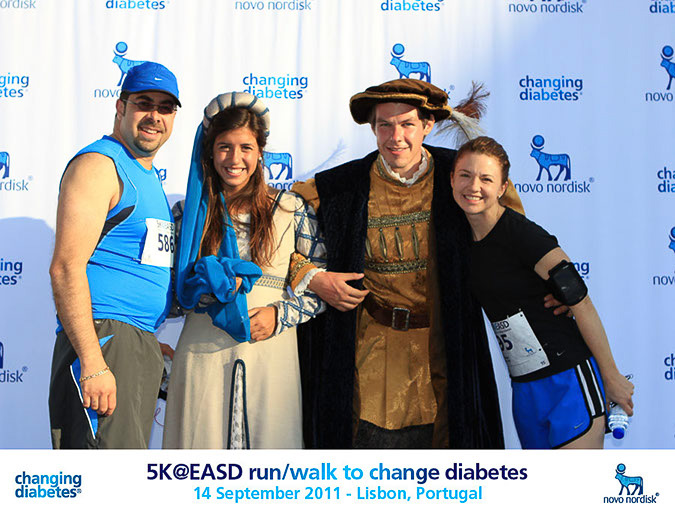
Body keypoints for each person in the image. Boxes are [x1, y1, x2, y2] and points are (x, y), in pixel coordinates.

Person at [289, 79, 526, 449]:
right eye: (385, 125)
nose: (395, 137)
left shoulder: (461, 177)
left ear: (427, 125)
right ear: (373, 129)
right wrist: (313, 278)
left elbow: (515, 247)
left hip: (447, 353)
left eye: (407, 124)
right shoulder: (337, 187)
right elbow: (276, 242)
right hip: (366, 360)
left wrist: (550, 295)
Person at [162, 92, 326, 449]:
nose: (234, 159)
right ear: (209, 152)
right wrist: (201, 288)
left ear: (260, 152)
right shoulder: (186, 215)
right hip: (202, 354)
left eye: (245, 148)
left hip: (271, 356)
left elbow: (319, 288)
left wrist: (279, 315)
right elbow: (169, 297)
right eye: (224, 147)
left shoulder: (291, 208)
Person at [450, 136, 634, 449]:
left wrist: (612, 376)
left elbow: (581, 302)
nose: (474, 186)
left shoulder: (523, 235)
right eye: (465, 175)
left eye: (486, 179)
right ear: (452, 180)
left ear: (503, 187)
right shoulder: (458, 240)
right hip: (525, 391)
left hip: (569, 381)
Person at [48, 62, 181, 449]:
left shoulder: (145, 176)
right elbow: (65, 268)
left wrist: (144, 341)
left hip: (130, 342)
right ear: (121, 106)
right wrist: (93, 360)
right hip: (104, 342)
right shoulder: (99, 166)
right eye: (144, 103)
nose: (155, 116)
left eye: (166, 107)